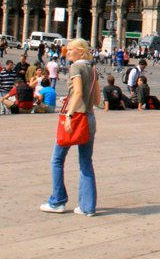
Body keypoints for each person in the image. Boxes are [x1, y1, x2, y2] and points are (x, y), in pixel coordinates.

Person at [42, 38, 101, 216]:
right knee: (85, 163)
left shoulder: (76, 67)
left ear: (81, 52)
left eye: (71, 49)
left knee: (57, 159)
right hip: (90, 118)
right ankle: (87, 207)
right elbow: (97, 100)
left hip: (75, 119)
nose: (67, 52)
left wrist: (69, 114)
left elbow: (77, 92)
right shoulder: (92, 68)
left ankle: (57, 201)